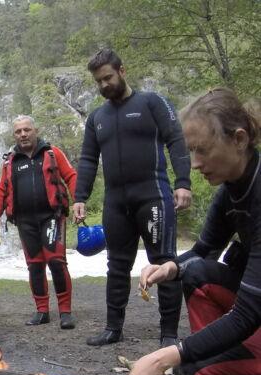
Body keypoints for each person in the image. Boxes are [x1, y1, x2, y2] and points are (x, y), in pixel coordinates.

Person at [122, 88, 261, 375]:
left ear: (238, 139)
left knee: (195, 372)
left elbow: (247, 315)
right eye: (191, 151)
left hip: (255, 315)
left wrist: (167, 356)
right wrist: (169, 267)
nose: (195, 163)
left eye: (203, 150)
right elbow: (203, 251)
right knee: (197, 273)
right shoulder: (230, 190)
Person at [73, 48, 192, 347]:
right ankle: (113, 328)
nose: (103, 85)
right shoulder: (97, 117)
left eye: (108, 78)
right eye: (98, 81)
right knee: (116, 265)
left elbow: (176, 140)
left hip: (153, 196)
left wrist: (183, 183)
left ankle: (168, 334)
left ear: (122, 71)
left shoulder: (151, 102)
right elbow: (88, 159)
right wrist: (80, 196)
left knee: (163, 262)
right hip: (116, 202)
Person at [0, 115, 77, 329]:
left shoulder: (52, 153)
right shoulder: (10, 161)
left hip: (52, 217)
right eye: (18, 131)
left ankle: (65, 311)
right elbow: (2, 189)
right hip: (25, 221)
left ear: (35, 130)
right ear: (14, 135)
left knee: (56, 262)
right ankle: (42, 311)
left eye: (27, 130)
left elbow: (72, 176)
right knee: (35, 266)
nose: (23, 134)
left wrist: (78, 202)